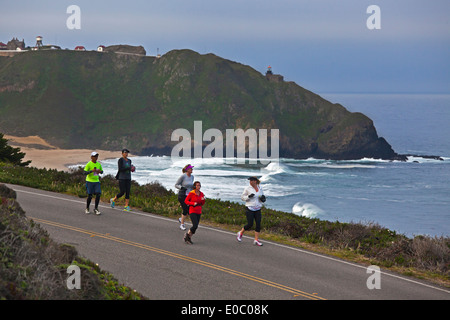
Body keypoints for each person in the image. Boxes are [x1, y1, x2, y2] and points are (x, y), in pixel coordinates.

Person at [237, 176, 266, 246]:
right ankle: (240, 233)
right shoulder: (247, 188)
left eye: (251, 180)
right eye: (249, 181)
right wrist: (248, 197)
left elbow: (262, 197)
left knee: (258, 224)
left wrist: (263, 199)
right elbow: (242, 197)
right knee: (250, 224)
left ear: (255, 181)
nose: (250, 182)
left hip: (258, 208)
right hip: (250, 208)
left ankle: (256, 240)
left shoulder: (260, 188)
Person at [175, 164, 194, 230]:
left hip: (188, 196)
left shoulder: (192, 177)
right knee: (185, 210)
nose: (192, 170)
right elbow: (176, 185)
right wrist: (181, 187)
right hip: (182, 195)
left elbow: (191, 187)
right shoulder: (183, 176)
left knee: (189, 211)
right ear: (187, 170)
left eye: (192, 168)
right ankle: (182, 225)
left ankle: (181, 218)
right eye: (191, 168)